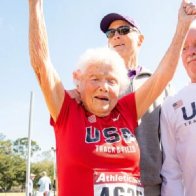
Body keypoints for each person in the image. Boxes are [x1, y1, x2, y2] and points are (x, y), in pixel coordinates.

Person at [28, 0, 196, 195]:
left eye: (111, 81)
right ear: (78, 81)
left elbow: (163, 75)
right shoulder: (67, 110)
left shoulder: (125, 109)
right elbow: (41, 64)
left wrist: (182, 26)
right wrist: (35, 5)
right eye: (94, 79)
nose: (103, 87)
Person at [99, 12, 168, 196]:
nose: (116, 36)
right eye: (110, 33)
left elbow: (170, 139)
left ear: (140, 39)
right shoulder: (96, 86)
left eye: (123, 29)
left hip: (150, 186)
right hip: (108, 184)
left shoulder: (160, 83)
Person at [161, 20, 196, 196]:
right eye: (185, 47)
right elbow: (171, 171)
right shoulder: (171, 105)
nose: (191, 52)